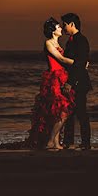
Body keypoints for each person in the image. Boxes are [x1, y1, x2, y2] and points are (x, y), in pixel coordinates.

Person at [25, 18, 76, 150]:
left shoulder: (58, 44)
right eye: (58, 27)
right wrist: (79, 63)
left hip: (62, 77)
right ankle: (50, 141)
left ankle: (56, 143)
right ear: (53, 30)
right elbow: (60, 59)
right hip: (54, 79)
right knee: (62, 112)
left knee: (60, 112)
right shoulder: (48, 43)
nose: (61, 29)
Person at [61, 12, 91, 150]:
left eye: (65, 24)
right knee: (70, 113)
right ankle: (69, 141)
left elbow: (80, 63)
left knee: (81, 113)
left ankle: (85, 143)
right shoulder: (72, 40)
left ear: (72, 24)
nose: (63, 27)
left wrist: (70, 82)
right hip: (75, 80)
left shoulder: (81, 40)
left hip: (79, 82)